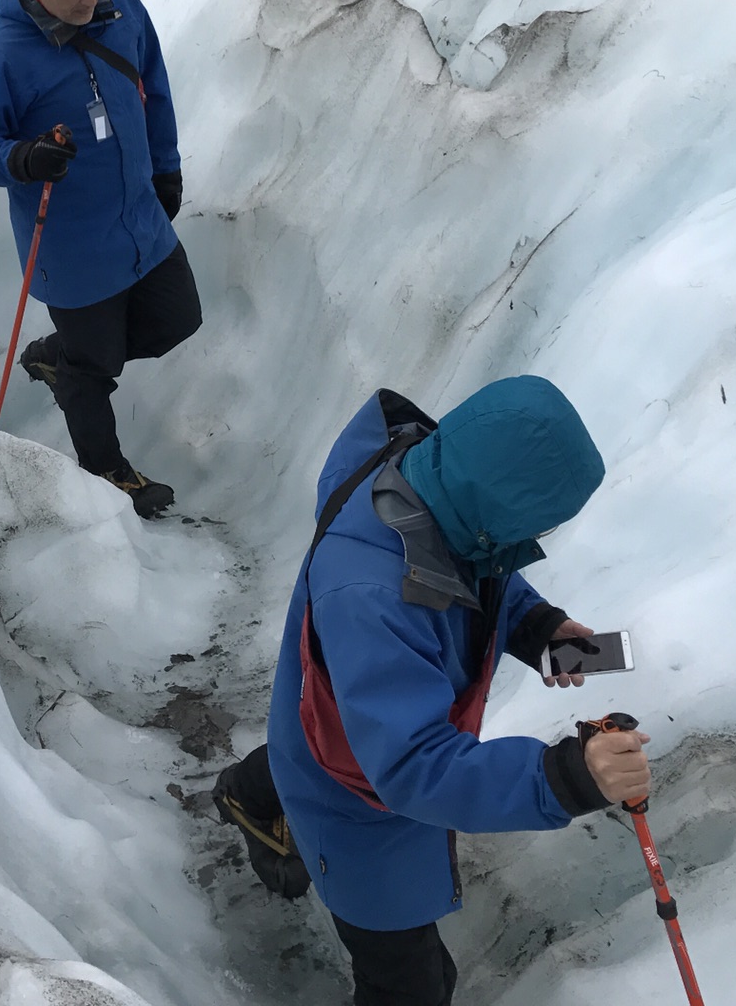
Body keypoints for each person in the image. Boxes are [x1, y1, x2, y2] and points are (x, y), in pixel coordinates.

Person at [263, 376, 651, 1006]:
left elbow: (474, 567)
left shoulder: (427, 482)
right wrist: (567, 776)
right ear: (488, 509)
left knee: (298, 756)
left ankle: (253, 795)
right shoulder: (369, 595)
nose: (533, 543)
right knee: (414, 986)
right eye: (528, 527)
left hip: (339, 724)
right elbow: (413, 763)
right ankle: (265, 798)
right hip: (358, 808)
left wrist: (534, 626)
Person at [0, 0, 201, 518]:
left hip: (141, 217)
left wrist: (165, 166)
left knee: (177, 319)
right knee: (95, 368)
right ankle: (109, 474)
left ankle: (58, 358)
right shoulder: (0, 55)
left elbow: (152, 82)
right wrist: (22, 158)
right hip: (70, 243)